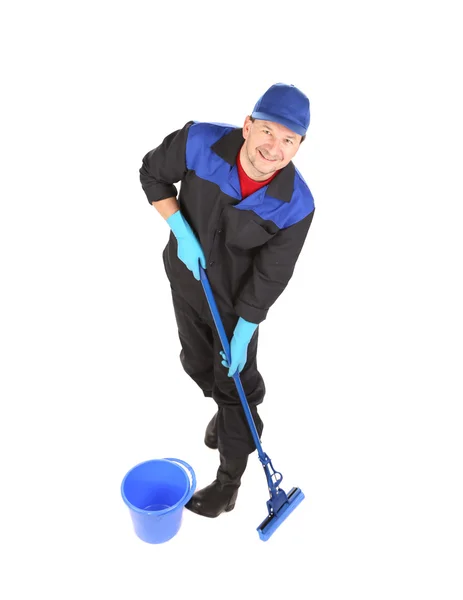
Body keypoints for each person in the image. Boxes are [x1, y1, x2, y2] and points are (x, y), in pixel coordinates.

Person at [139, 83, 315, 519]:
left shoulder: (295, 204)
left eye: (288, 140)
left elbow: (272, 273)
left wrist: (245, 330)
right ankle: (237, 412)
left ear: (299, 146)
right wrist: (180, 228)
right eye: (268, 132)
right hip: (186, 279)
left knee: (234, 385)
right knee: (197, 365)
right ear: (249, 125)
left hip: (236, 307)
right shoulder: (201, 143)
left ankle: (228, 483)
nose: (274, 148)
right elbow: (151, 172)